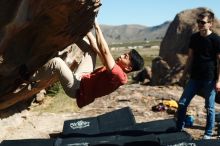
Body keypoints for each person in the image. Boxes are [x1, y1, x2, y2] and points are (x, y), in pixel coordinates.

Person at [28, 21, 144, 108]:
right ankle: (71, 33)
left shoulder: (119, 76)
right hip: (84, 77)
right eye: (125, 53)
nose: (122, 55)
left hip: (77, 89)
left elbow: (104, 50)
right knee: (91, 50)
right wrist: (86, 30)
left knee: (57, 63)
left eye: (126, 57)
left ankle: (28, 77)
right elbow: (97, 49)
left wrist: (96, 26)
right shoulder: (116, 68)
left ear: (128, 67)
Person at [176, 10, 220, 139]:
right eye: (198, 21)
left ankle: (208, 133)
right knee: (183, 103)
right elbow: (190, 58)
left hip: (210, 79)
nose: (200, 24)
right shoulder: (194, 38)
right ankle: (179, 127)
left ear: (210, 24)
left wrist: (218, 81)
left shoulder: (216, 40)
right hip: (194, 77)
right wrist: (184, 75)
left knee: (210, 108)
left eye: (203, 22)